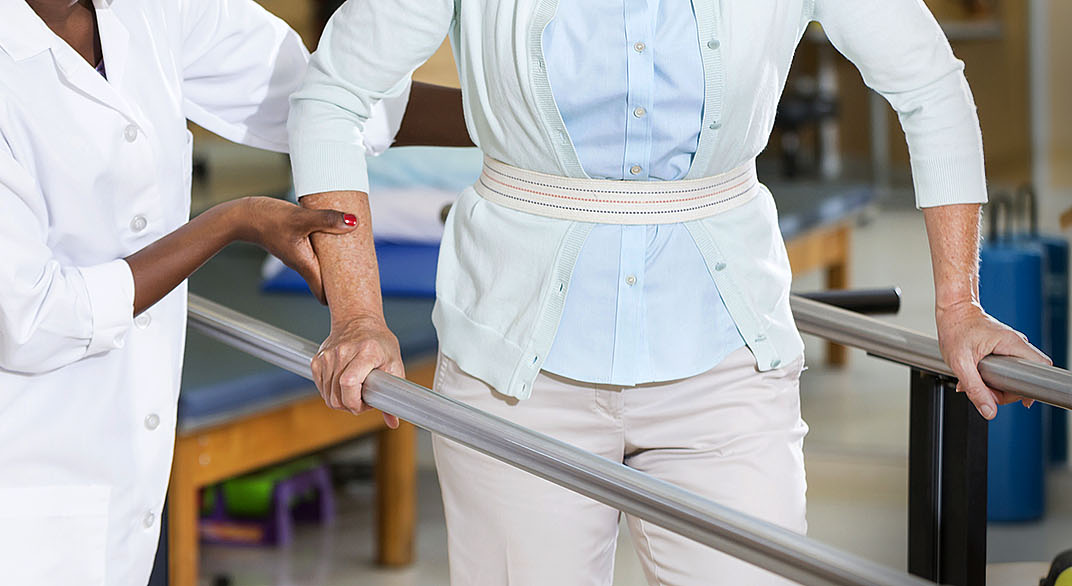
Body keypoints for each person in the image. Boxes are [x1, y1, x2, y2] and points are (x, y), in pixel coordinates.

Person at [290, 0, 1052, 584]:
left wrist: (959, 306)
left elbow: (928, 84)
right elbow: (333, 93)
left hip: (724, 360)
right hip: (512, 365)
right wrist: (357, 312)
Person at [0, 0, 469, 583]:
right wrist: (232, 222)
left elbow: (323, 95)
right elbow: (31, 322)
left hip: (112, 433)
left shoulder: (151, 9)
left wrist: (512, 127)